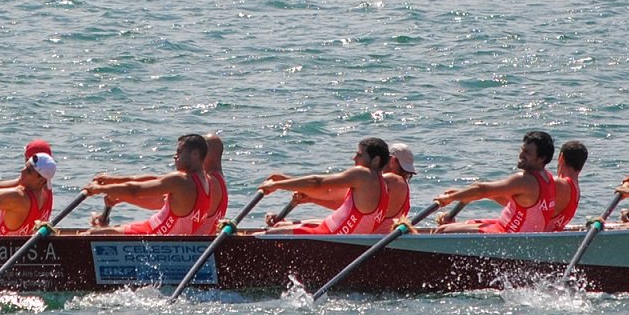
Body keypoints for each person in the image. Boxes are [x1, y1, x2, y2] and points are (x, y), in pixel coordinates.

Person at [84, 132, 227, 237]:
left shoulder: (186, 180)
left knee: (90, 234)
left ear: (198, 154)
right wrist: (114, 181)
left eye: (179, 152)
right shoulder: (206, 180)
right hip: (167, 235)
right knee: (111, 229)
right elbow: (157, 181)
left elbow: (138, 191)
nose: (175, 156)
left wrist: (99, 189)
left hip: (158, 235)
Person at [260, 137, 399, 235]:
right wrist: (287, 181)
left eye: (359, 155)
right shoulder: (380, 184)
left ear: (375, 160)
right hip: (329, 230)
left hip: (332, 238)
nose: (354, 158)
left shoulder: (363, 174)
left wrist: (276, 184)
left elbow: (317, 183)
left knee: (271, 234)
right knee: (280, 225)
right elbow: (327, 192)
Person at [433, 129, 559, 232]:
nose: (521, 155)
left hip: (508, 236)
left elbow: (480, 189)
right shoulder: (548, 179)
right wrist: (463, 194)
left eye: (527, 152)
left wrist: (449, 198)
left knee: (441, 231)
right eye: (522, 149)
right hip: (508, 229)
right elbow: (511, 202)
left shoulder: (524, 180)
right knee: (462, 224)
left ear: (541, 158)